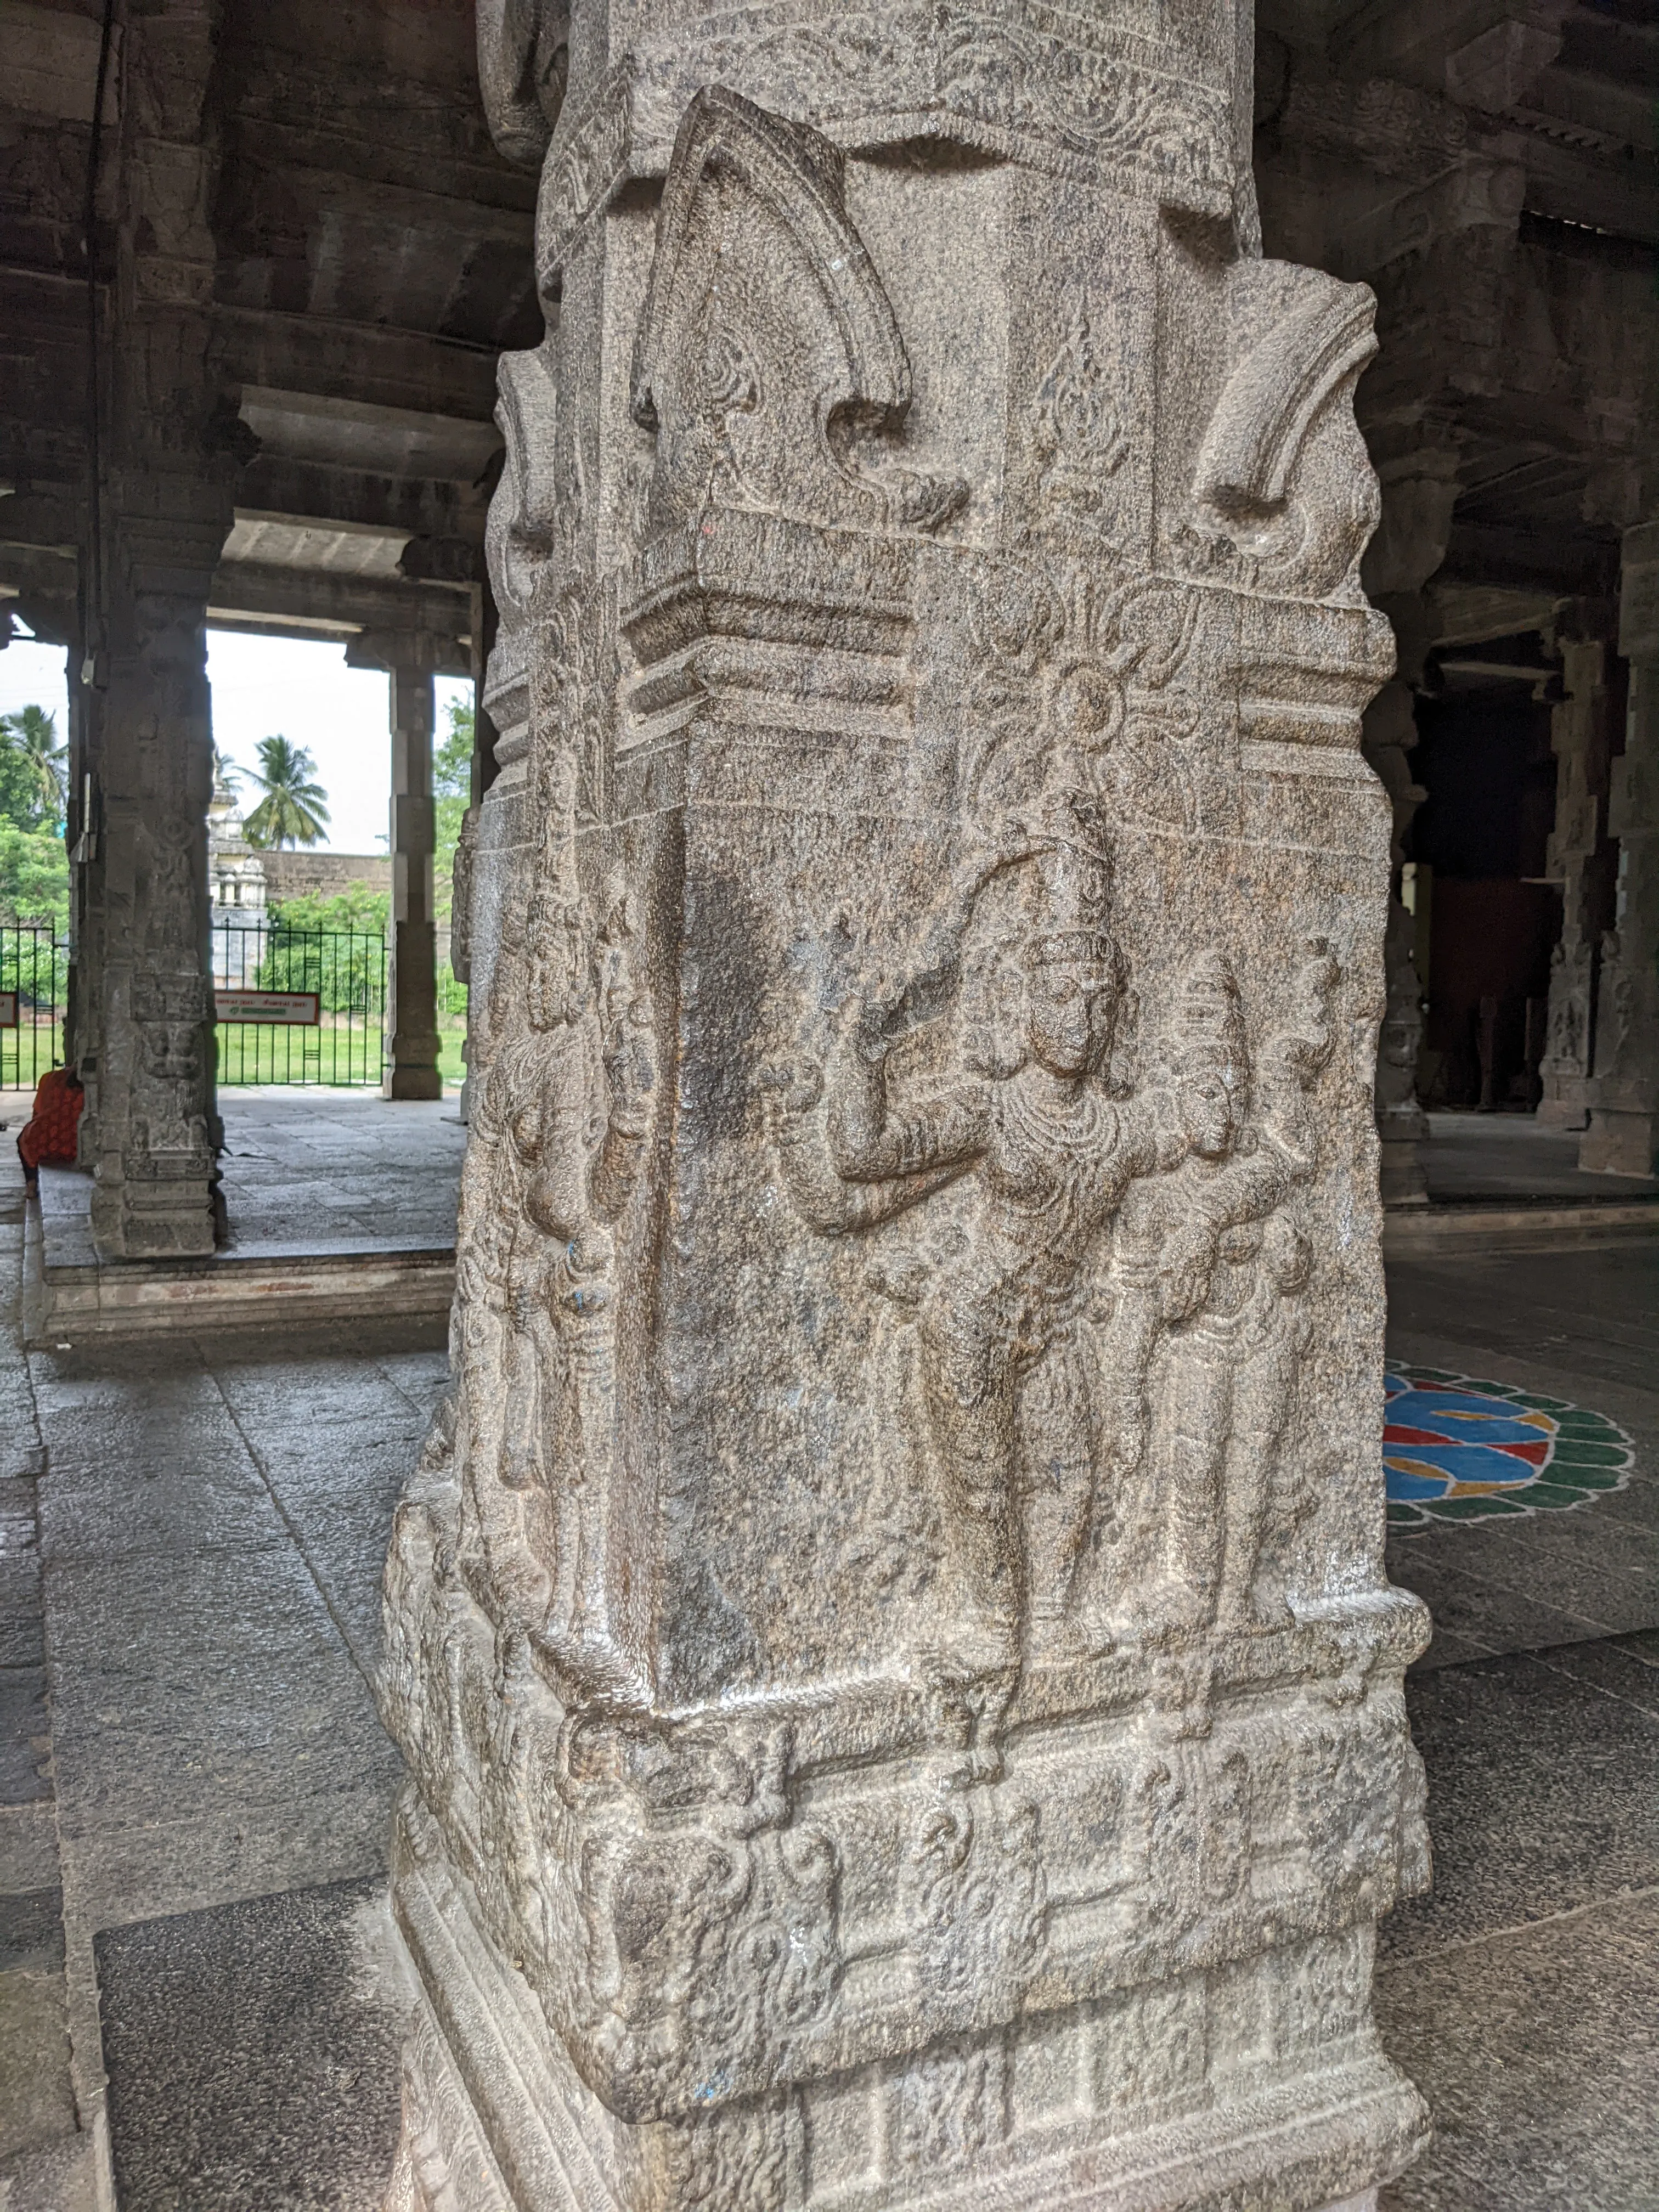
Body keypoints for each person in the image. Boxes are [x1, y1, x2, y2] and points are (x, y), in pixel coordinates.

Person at [16, 1061, 83, 1190]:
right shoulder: (93, 1086)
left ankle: (31, 1185)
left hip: (43, 1144)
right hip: (76, 1146)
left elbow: (38, 1111)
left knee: (23, 1139)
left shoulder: (51, 1078)